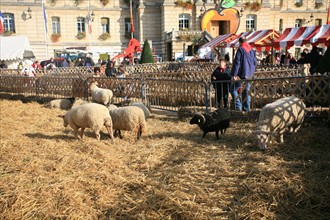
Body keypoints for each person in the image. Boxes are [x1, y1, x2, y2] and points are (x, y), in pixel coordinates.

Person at [230, 36, 257, 112]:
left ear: (240, 42)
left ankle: (238, 106)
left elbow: (237, 63)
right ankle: (246, 109)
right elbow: (255, 63)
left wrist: (234, 75)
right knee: (246, 91)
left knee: (233, 90)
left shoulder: (241, 49)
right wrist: (251, 72)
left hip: (241, 75)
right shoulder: (252, 50)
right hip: (249, 75)